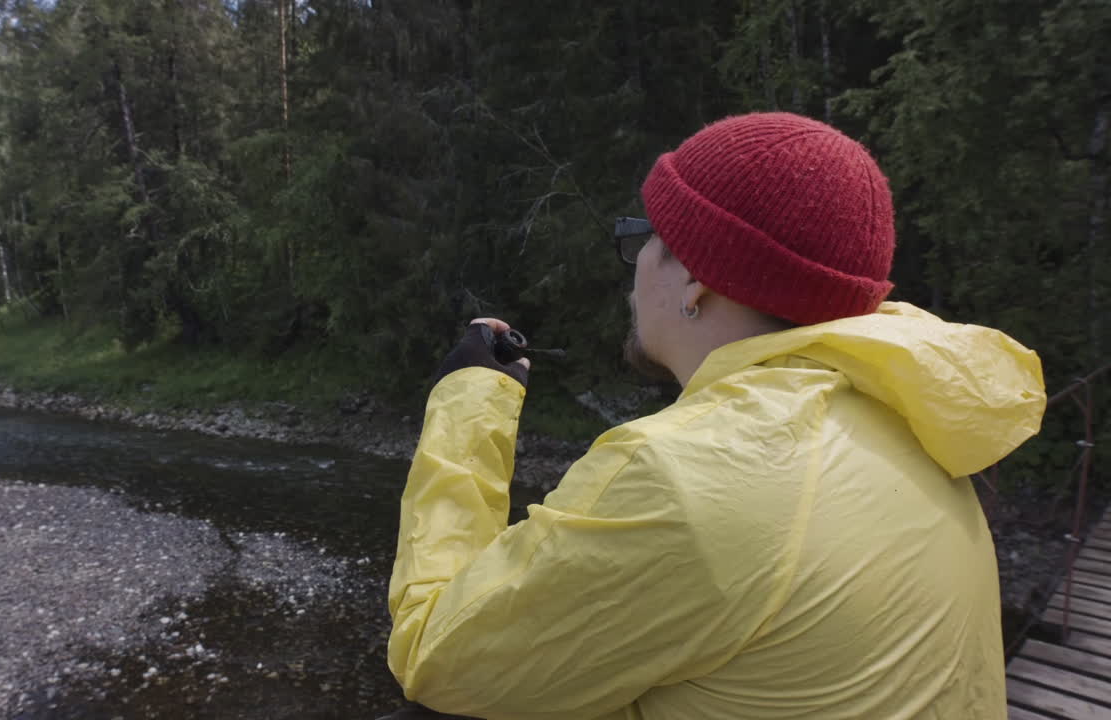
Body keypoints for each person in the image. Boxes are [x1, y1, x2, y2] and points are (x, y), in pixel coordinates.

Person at [380, 112, 1046, 720]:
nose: (633, 264)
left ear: (696, 278)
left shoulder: (688, 476)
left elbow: (437, 656)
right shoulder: (907, 412)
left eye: (644, 235)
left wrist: (468, 401)